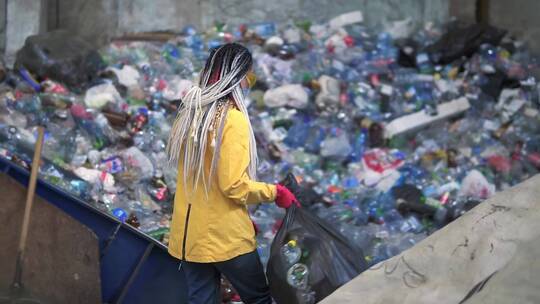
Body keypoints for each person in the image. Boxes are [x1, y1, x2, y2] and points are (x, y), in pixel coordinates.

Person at [166, 43, 299, 304]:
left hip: (188, 236)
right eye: (249, 75)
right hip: (224, 237)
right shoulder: (233, 120)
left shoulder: (191, 112)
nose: (250, 82)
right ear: (238, 76)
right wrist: (275, 192)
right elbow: (234, 186)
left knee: (201, 300)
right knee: (259, 298)